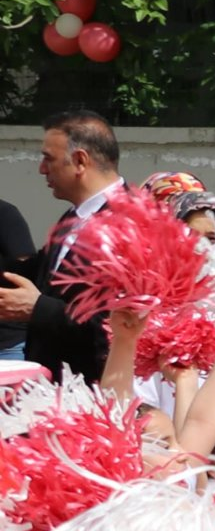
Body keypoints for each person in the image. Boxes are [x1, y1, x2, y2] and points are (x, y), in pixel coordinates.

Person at [5, 111, 132, 383]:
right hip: (55, 390)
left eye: (48, 158)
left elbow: (120, 323)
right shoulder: (75, 217)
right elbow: (40, 274)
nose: (41, 168)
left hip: (98, 392)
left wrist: (38, 309)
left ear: (79, 161)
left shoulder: (132, 222)